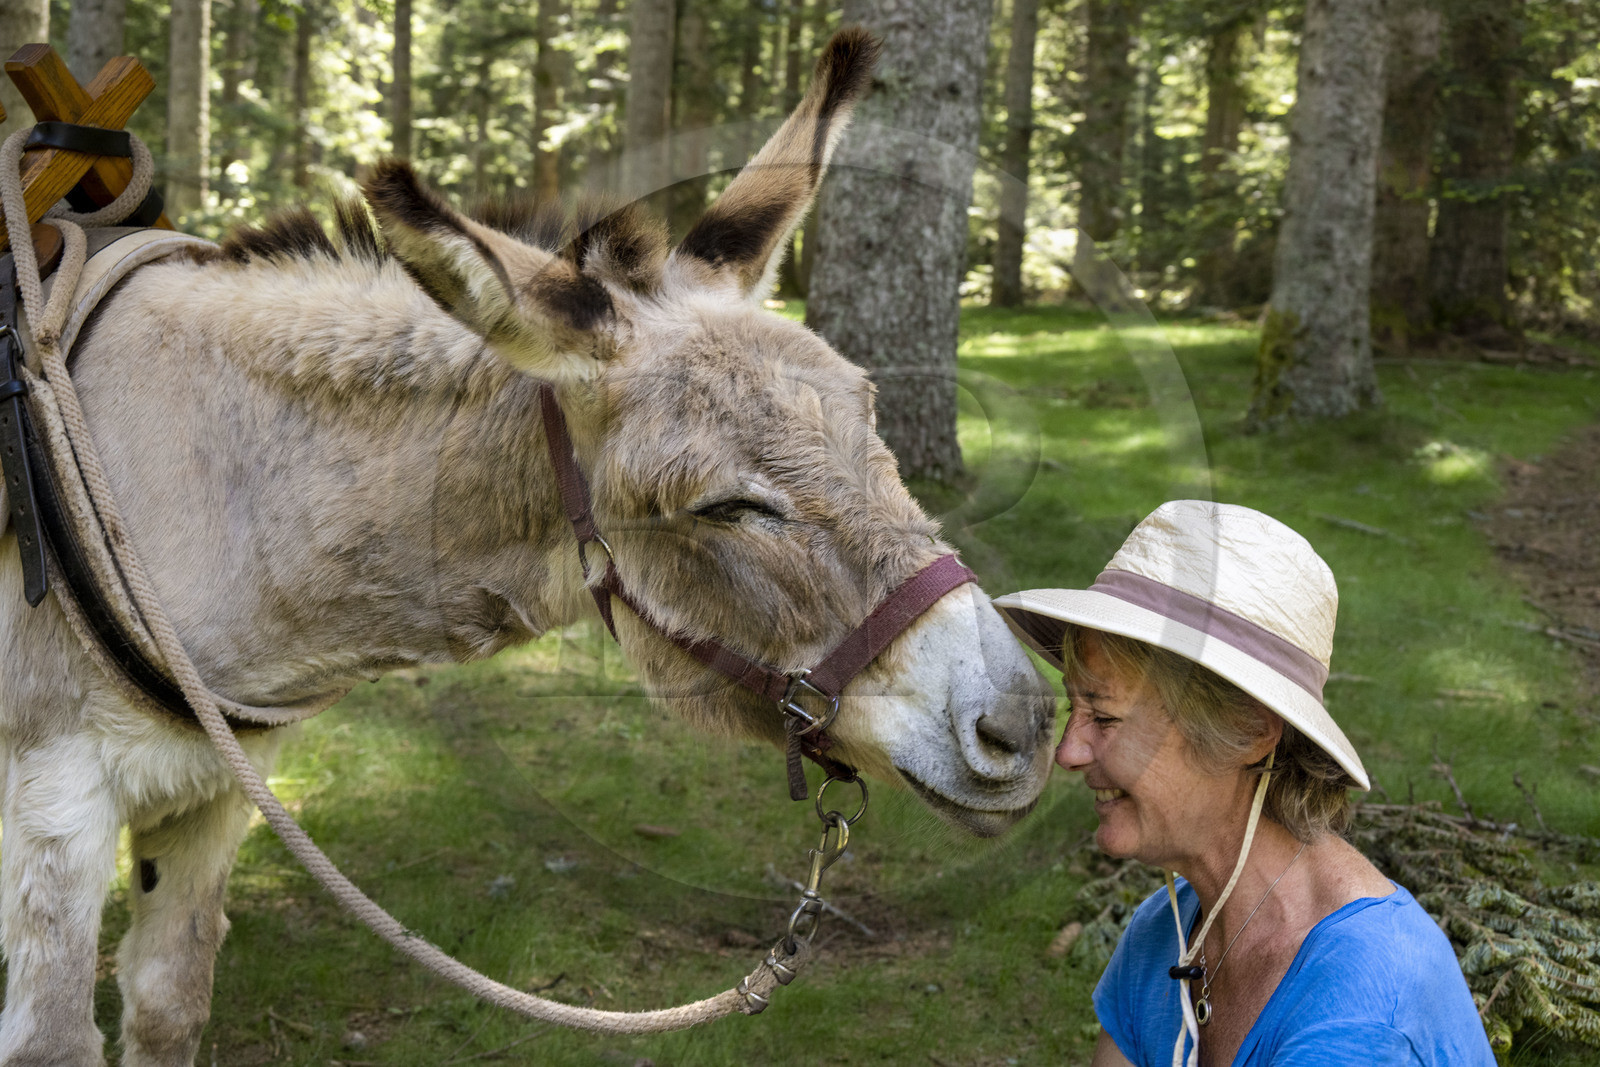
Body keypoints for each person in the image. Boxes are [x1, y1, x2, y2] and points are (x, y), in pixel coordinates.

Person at [994, 501, 1495, 1067]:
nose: (1068, 752)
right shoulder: (1167, 934)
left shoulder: (1361, 1009)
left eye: (1104, 717)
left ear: (1250, 731)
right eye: (1073, 707)